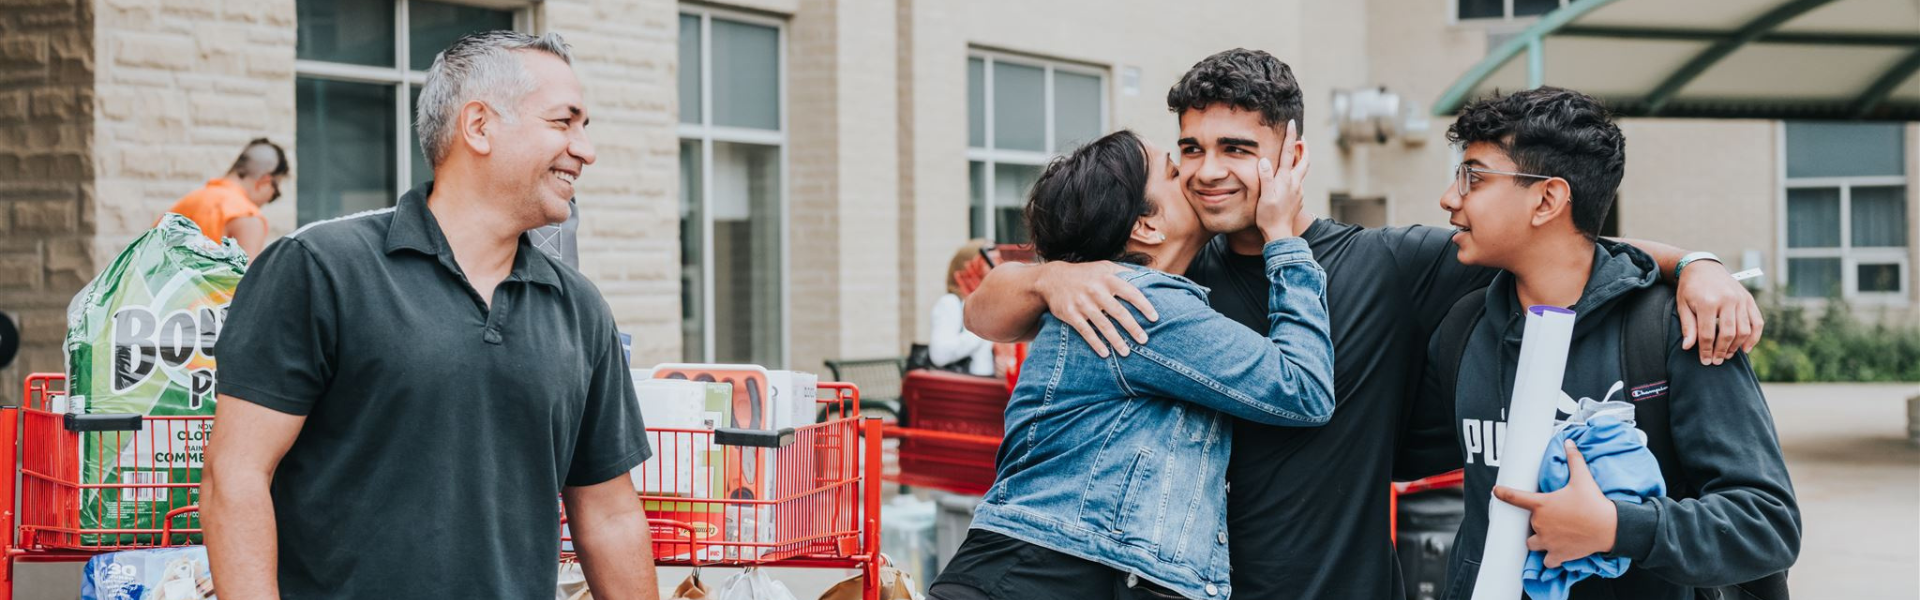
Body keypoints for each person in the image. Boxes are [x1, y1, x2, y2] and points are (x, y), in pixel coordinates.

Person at [962, 48, 1767, 600]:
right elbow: (986, 311)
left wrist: (1694, 262)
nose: (1208, 170)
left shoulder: (1387, 262)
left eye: (1238, 148)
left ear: (1294, 156)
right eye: (1190, 148)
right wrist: (1050, 272)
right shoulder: (1163, 276)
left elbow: (1561, 242)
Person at [202, 31, 659, 599]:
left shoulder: (580, 308)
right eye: (564, 123)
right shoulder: (320, 269)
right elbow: (236, 475)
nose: (586, 149)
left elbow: (609, 514)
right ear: (479, 126)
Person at [1398, 87, 1798, 600]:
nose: (1449, 198)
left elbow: (1767, 524)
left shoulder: (1674, 328)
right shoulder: (1464, 329)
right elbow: (1394, 456)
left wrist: (1615, 528)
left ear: (1547, 199)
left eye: (1473, 176)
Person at [931, 128, 1333, 600]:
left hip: (1025, 567)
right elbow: (1302, 388)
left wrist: (1048, 275)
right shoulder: (1139, 302)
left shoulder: (1096, 291)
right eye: (1173, 169)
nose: (1193, 173)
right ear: (1146, 225)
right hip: (1053, 573)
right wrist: (1282, 239)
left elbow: (983, 310)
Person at [164, 138, 287, 257]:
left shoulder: (186, 203)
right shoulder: (248, 217)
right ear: (265, 181)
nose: (268, 200)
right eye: (275, 194)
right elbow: (247, 277)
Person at [927, 239, 996, 377]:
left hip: (992, 388)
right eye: (990, 261)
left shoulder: (994, 303)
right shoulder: (951, 303)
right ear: (971, 269)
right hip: (965, 391)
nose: (997, 266)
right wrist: (983, 329)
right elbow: (940, 354)